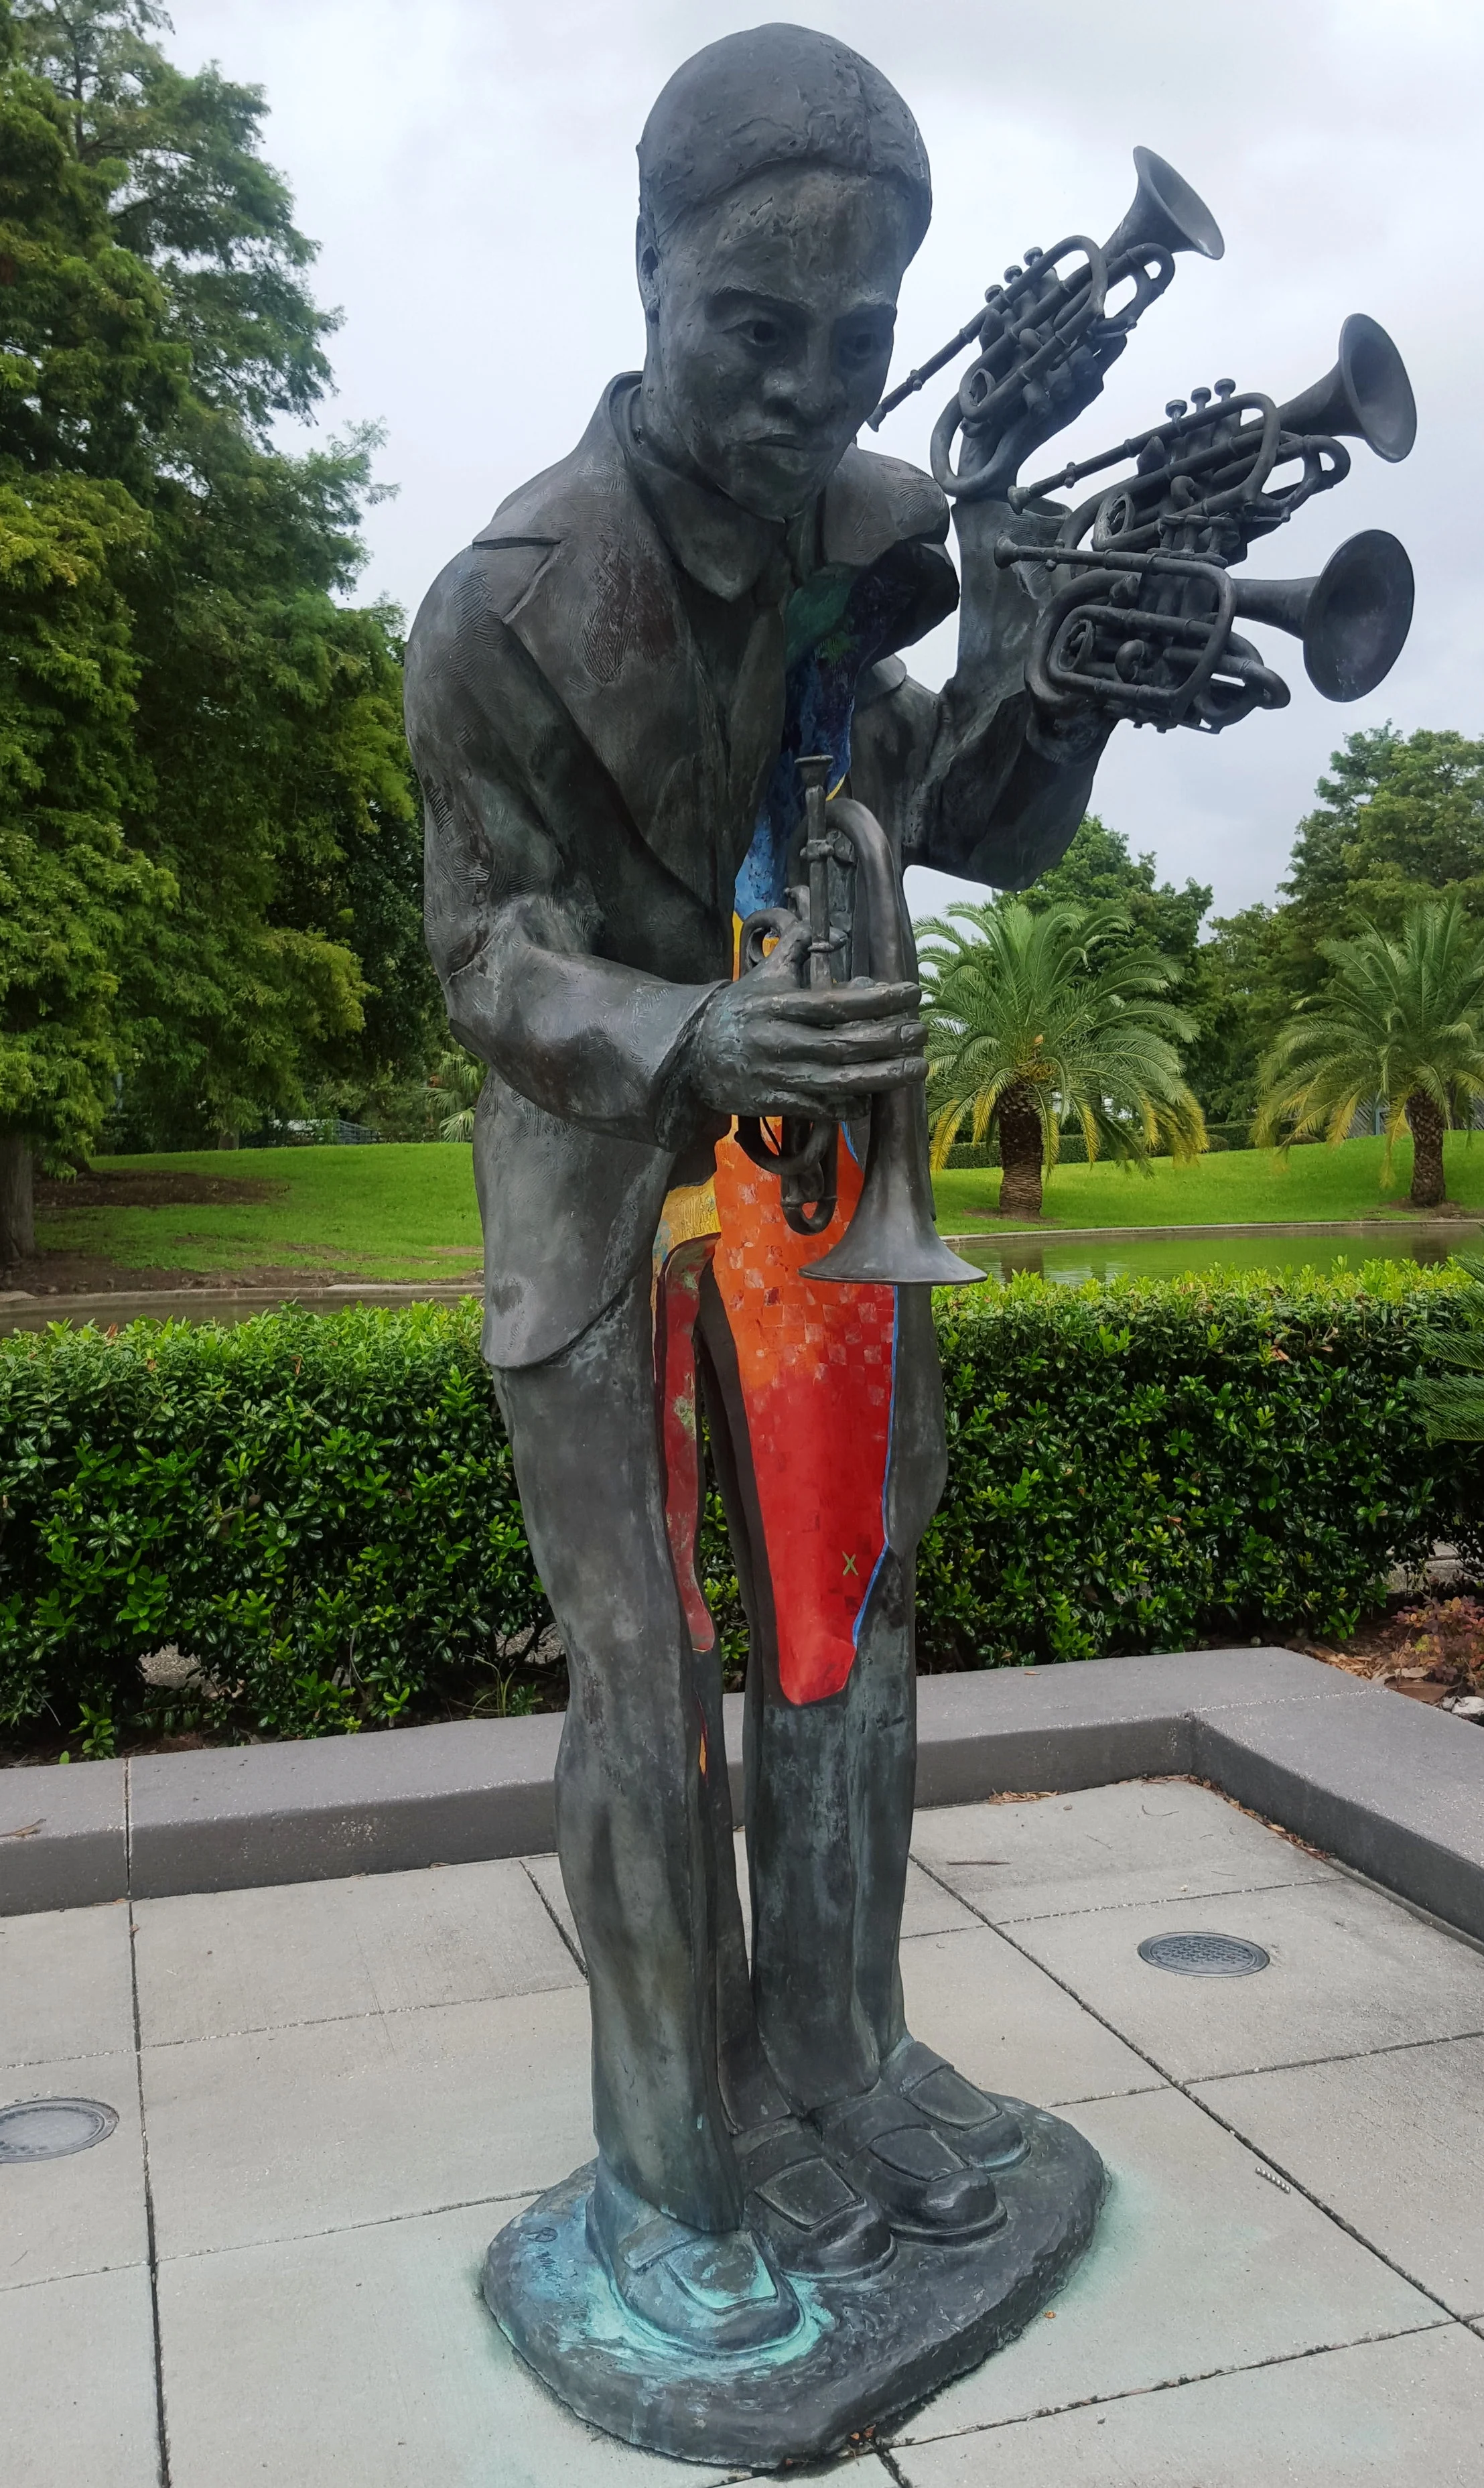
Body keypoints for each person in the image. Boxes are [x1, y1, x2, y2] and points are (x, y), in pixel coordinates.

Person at [405, 22, 1112, 2354]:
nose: (812, 394)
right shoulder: (505, 606)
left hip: (825, 1162)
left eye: (857, 339)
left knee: (848, 1627)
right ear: (647, 271)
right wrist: (685, 1037)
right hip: (610, 1159)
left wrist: (1035, 652)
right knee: (646, 1668)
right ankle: (665, 2167)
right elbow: (483, 956)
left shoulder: (879, 533)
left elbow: (976, 820)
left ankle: (845, 2054)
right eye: (752, 328)